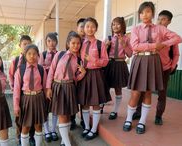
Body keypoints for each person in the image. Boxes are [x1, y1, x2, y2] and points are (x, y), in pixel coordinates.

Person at [123, 1, 182, 134]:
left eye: (148, 11)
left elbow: (178, 38)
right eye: (142, 12)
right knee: (136, 92)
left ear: (152, 13)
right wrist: (155, 45)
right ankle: (128, 119)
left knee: (148, 92)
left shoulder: (160, 28)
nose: (145, 14)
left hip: (153, 61)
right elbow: (135, 47)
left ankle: (142, 122)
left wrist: (164, 44)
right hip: (139, 61)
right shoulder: (136, 29)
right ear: (139, 15)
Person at [46, 31, 86, 146]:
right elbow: (51, 72)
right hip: (58, 87)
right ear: (68, 43)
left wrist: (82, 73)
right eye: (73, 43)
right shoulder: (59, 55)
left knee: (68, 115)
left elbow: (75, 78)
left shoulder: (79, 60)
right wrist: (48, 87)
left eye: (78, 43)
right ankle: (68, 144)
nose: (76, 45)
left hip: (70, 88)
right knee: (62, 115)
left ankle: (64, 141)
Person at [77, 17, 110, 140]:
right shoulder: (80, 43)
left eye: (92, 26)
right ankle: (86, 127)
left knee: (95, 103)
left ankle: (94, 129)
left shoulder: (100, 44)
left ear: (96, 28)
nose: (90, 29)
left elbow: (105, 61)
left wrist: (93, 60)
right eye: (87, 26)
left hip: (96, 74)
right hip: (84, 74)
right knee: (84, 103)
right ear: (84, 28)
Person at [13, 44, 47, 146]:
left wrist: (46, 103)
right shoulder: (20, 70)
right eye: (29, 54)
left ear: (38, 55)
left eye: (34, 54)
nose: (32, 56)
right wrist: (16, 106)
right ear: (25, 55)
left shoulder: (41, 69)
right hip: (26, 100)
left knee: (38, 126)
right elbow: (16, 89)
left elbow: (45, 87)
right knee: (25, 126)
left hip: (39, 99)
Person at [8, 35, 34, 145]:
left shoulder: (34, 58)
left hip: (31, 94)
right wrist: (14, 88)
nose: (26, 46)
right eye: (24, 44)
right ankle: (20, 137)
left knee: (32, 116)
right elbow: (10, 75)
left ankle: (31, 136)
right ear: (20, 45)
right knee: (20, 116)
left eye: (29, 44)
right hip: (19, 93)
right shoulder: (16, 60)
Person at [105, 17, 132, 120]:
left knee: (118, 88)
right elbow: (101, 54)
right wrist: (106, 46)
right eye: (113, 24)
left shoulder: (126, 39)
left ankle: (115, 111)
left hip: (120, 64)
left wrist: (124, 45)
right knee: (105, 86)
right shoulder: (108, 38)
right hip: (109, 64)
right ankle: (101, 106)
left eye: (118, 24)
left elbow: (130, 54)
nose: (115, 26)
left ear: (122, 26)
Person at [38, 32, 59, 142]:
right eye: (49, 41)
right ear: (46, 42)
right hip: (45, 85)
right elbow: (40, 69)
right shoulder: (43, 54)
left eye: (53, 40)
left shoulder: (59, 54)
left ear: (56, 41)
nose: (51, 43)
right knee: (45, 108)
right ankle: (46, 131)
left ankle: (54, 129)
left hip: (56, 84)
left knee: (55, 108)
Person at [70, 18, 86, 130]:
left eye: (85, 26)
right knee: (73, 96)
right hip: (73, 70)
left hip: (85, 71)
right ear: (77, 28)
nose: (83, 29)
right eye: (81, 26)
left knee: (83, 96)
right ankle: (72, 120)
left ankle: (84, 120)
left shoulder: (89, 41)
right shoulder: (73, 39)